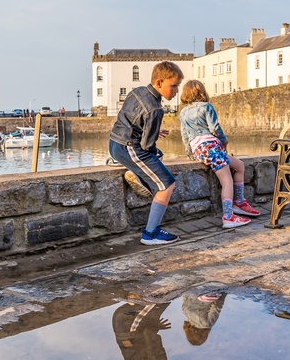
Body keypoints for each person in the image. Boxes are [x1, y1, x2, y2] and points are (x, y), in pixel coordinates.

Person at [109, 61, 184, 245]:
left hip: (114, 144)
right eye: (173, 86)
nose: (176, 91)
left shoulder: (137, 91)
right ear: (159, 83)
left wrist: (151, 132)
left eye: (177, 87)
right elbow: (146, 146)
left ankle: (135, 172)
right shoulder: (155, 109)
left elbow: (129, 120)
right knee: (167, 184)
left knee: (156, 159)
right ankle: (150, 233)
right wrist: (152, 142)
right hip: (129, 148)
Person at [179, 80, 260, 228]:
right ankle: (228, 216)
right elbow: (215, 128)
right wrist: (224, 141)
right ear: (201, 92)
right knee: (227, 181)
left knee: (239, 165)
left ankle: (239, 202)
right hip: (212, 147)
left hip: (199, 150)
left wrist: (190, 154)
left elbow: (184, 135)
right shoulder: (206, 107)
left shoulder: (183, 112)